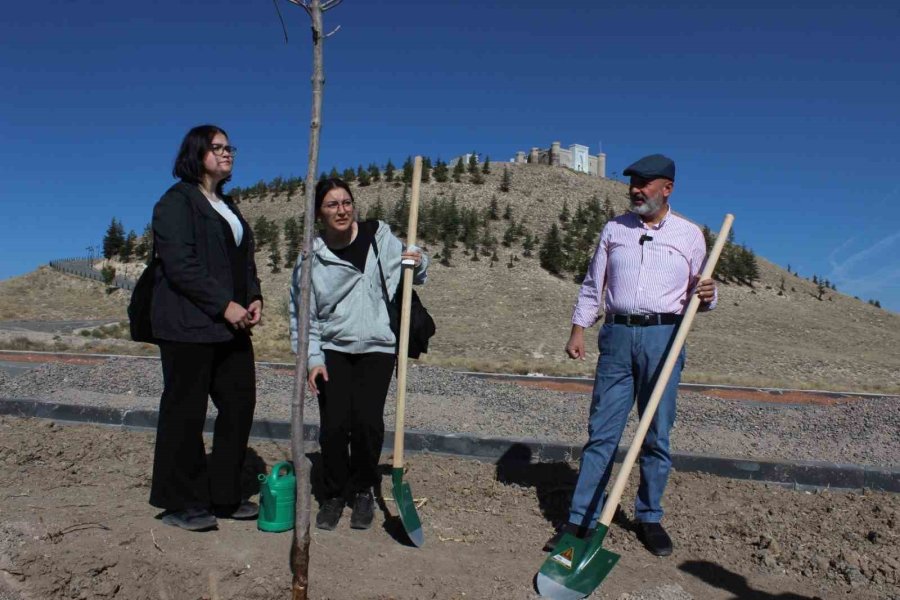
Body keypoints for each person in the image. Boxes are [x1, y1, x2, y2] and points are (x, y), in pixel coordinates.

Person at [545, 154, 717, 556]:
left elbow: (703, 292)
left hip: (665, 336)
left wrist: (709, 296)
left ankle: (649, 517)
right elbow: (593, 284)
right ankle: (580, 519)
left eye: (644, 183)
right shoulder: (614, 230)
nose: (635, 189)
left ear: (667, 188)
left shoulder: (690, 234)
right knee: (602, 431)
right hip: (618, 335)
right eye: (632, 183)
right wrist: (578, 329)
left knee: (656, 433)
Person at [289, 178, 428, 531]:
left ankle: (364, 487)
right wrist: (313, 359)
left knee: (367, 424)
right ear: (319, 213)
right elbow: (304, 316)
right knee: (335, 426)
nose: (342, 209)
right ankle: (334, 493)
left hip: (378, 347)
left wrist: (418, 261)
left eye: (346, 202)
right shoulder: (311, 260)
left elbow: (411, 274)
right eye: (332, 204)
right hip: (334, 349)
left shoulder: (379, 237)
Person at [149, 124, 263, 531]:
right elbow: (181, 265)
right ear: (197, 155)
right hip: (187, 325)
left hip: (230, 326)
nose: (227, 153)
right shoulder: (176, 203)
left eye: (229, 146)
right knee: (185, 412)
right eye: (217, 147)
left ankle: (224, 495)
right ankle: (180, 500)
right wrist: (223, 304)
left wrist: (253, 296)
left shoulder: (228, 207)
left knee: (239, 404)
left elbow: (243, 262)